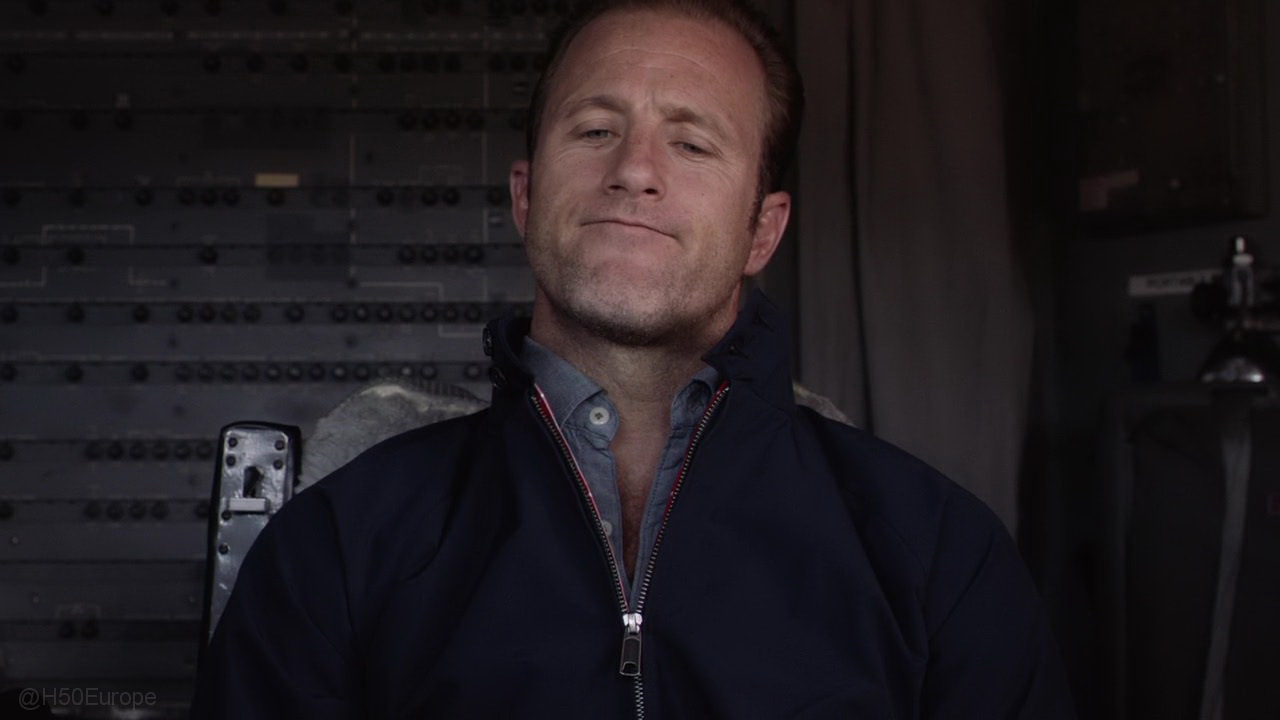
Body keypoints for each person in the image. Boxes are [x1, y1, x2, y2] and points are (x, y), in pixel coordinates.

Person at [191, 0, 1075, 717]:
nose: (635, 170)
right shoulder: (336, 545)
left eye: (691, 143)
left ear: (762, 231)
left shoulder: (938, 554)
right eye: (593, 130)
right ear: (526, 198)